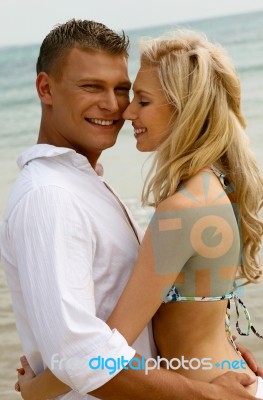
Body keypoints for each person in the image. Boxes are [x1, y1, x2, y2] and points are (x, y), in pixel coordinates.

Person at [1, 20, 261, 400]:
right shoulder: (216, 187)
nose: (122, 111)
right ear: (45, 89)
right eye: (92, 87)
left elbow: (102, 347)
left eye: (135, 97)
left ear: (182, 107)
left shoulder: (177, 205)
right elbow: (88, 351)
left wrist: (36, 389)